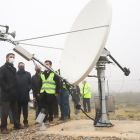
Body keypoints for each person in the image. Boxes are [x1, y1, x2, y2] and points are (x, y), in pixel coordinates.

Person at [0, 53, 24, 134]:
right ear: (6, 58)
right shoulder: (2, 68)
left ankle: (17, 125)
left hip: (14, 94)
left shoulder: (14, 69)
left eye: (13, 57)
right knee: (5, 112)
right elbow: (1, 81)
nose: (12, 58)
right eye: (11, 57)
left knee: (15, 111)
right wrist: (7, 88)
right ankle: (3, 128)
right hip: (6, 94)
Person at [38, 60, 59, 125]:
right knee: (42, 107)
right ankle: (42, 120)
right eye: (45, 64)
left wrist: (57, 92)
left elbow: (58, 83)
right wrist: (39, 92)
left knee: (50, 107)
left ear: (50, 65)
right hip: (43, 93)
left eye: (47, 64)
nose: (46, 65)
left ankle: (51, 120)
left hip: (51, 93)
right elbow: (40, 84)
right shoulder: (42, 73)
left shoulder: (55, 73)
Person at [16, 62, 32, 127]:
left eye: (23, 66)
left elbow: (31, 83)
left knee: (25, 110)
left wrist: (28, 89)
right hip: (17, 96)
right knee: (17, 111)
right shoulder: (15, 74)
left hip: (25, 95)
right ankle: (18, 123)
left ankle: (25, 122)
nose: (22, 67)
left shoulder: (28, 74)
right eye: (20, 66)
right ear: (18, 66)